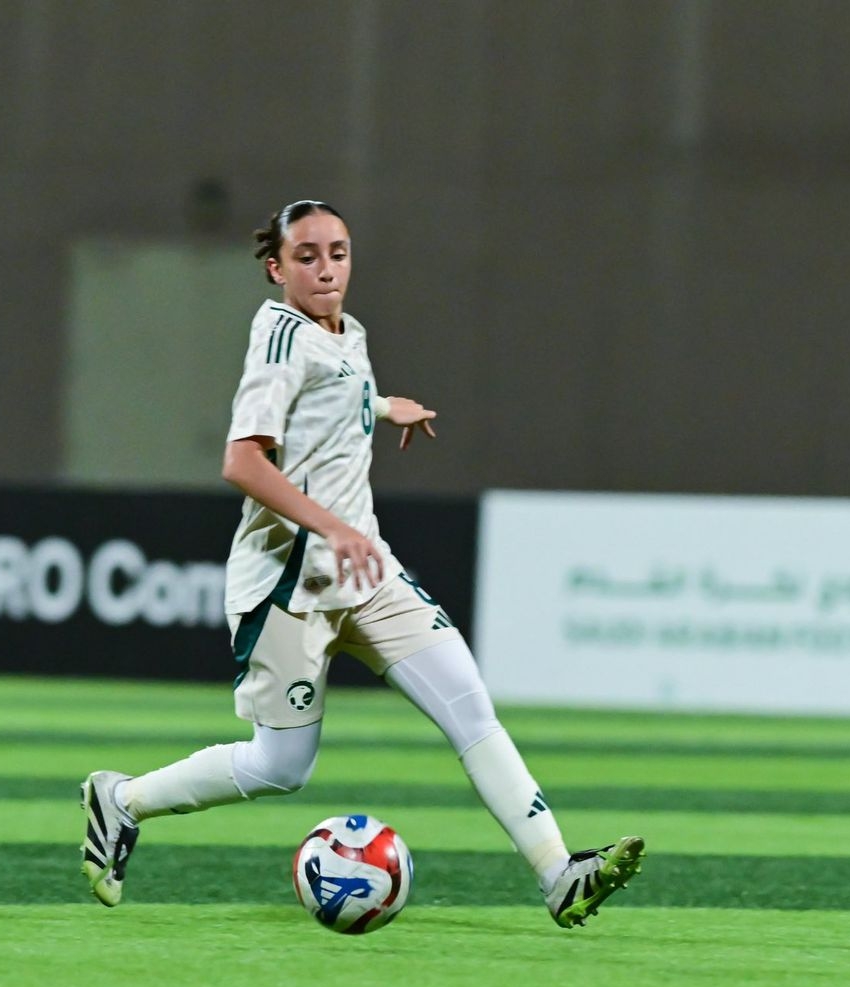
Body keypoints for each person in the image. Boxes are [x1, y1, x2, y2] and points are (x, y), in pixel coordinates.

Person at [80, 199, 644, 928]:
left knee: (469, 706)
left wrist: (381, 406)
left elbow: (330, 395)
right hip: (288, 586)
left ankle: (559, 873)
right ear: (276, 268)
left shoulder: (347, 333)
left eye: (338, 253)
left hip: (365, 573)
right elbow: (242, 462)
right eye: (306, 256)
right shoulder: (280, 339)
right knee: (281, 767)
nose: (326, 269)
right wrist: (332, 528)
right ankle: (121, 800)